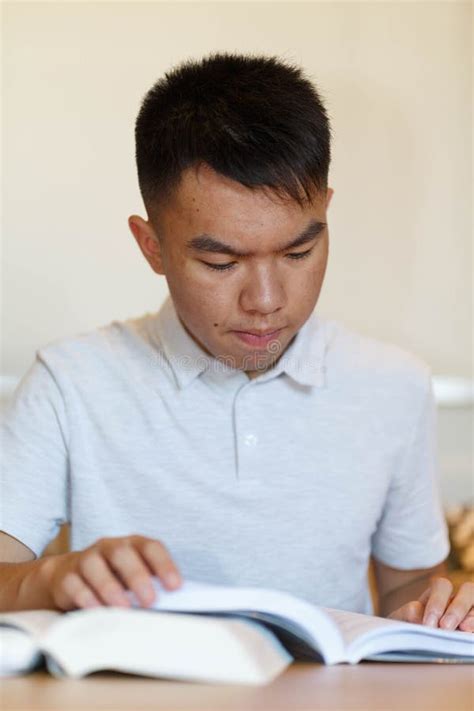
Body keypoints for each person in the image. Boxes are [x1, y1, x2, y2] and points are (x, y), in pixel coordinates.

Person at [1, 53, 472, 632]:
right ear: (151, 246)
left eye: (299, 253)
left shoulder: (392, 384)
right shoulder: (72, 383)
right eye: (221, 262)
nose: (268, 300)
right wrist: (52, 579)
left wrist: (440, 609)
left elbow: (409, 581)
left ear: (326, 211)